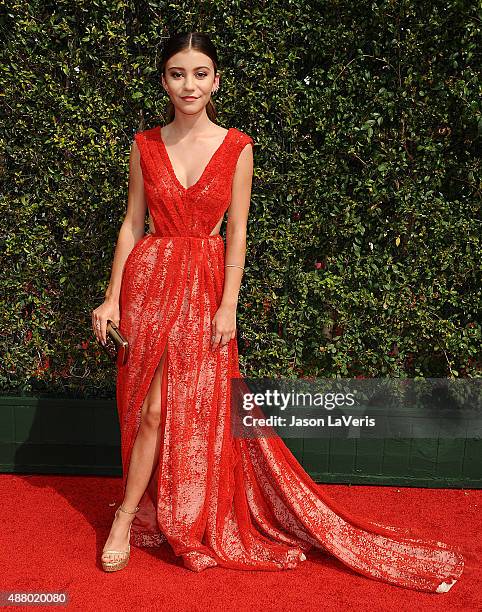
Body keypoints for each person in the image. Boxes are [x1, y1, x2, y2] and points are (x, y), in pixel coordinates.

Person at [91, 31, 464, 592]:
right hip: (149, 283)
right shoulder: (144, 144)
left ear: (215, 80)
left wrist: (229, 306)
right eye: (177, 73)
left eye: (199, 73)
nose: (188, 84)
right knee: (144, 409)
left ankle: (128, 516)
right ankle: (141, 511)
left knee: (167, 410)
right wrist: (113, 295)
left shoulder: (238, 147)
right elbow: (130, 224)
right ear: (163, 80)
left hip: (205, 290)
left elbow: (238, 232)